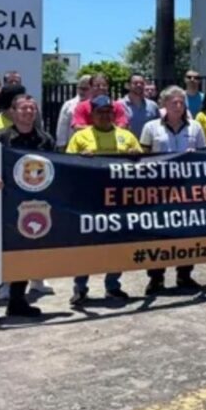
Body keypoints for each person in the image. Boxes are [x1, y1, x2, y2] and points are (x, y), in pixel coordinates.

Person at [0, 94, 50, 325]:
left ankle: (17, 301)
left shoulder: (44, 140)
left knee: (25, 255)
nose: (28, 113)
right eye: (23, 109)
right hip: (3, 207)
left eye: (32, 109)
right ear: (13, 112)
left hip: (33, 208)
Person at [66, 95, 139, 305]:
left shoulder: (127, 136)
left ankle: (113, 286)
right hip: (89, 201)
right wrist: (81, 159)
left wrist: (136, 155)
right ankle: (80, 288)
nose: (105, 115)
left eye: (109, 111)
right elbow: (67, 165)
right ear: (92, 115)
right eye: (100, 112)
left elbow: (144, 167)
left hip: (118, 200)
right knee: (86, 246)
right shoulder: (80, 137)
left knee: (117, 244)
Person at [140, 86, 206, 293]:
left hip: (187, 190)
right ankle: (156, 277)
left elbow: (205, 157)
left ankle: (184, 274)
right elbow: (142, 158)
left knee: (187, 232)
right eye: (174, 102)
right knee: (157, 233)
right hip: (159, 189)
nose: (178, 106)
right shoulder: (151, 127)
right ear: (164, 105)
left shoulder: (195, 127)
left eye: (181, 102)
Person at [55, 75, 92, 150]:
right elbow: (62, 126)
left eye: (85, 89)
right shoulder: (69, 105)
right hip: (72, 147)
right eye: (79, 88)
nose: (81, 91)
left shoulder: (96, 104)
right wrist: (61, 145)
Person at [119, 73, 159, 140]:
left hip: (149, 147)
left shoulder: (153, 105)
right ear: (127, 85)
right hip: (127, 147)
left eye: (142, 83)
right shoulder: (119, 105)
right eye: (135, 83)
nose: (139, 85)